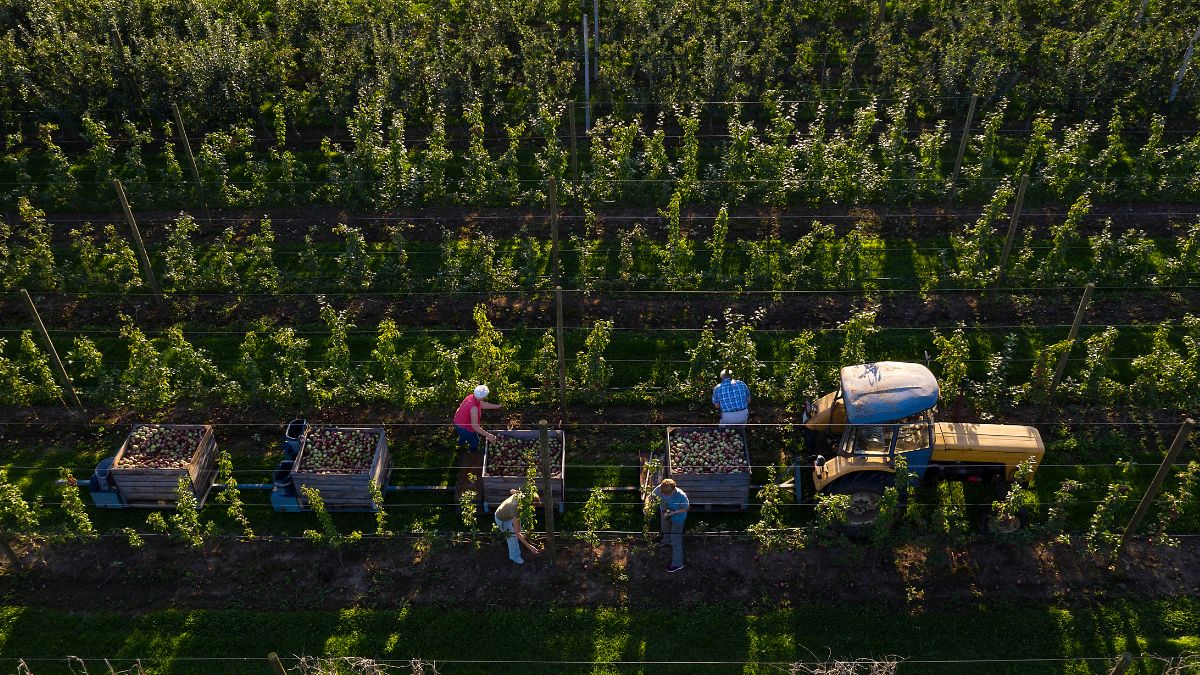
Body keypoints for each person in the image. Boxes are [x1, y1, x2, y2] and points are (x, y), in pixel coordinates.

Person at [645, 479, 689, 572]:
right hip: (665, 512)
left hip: (678, 517)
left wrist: (674, 512)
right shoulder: (660, 488)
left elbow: (686, 508)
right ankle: (666, 541)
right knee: (665, 528)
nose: (665, 495)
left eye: (668, 494)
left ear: (674, 489)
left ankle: (678, 564)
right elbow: (649, 497)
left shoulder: (681, 496)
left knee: (676, 539)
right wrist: (647, 506)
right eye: (663, 493)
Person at [494, 489, 540, 565]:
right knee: (513, 536)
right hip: (501, 519)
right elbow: (517, 532)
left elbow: (511, 491)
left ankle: (523, 538)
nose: (533, 509)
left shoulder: (523, 496)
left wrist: (515, 492)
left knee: (518, 528)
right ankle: (514, 557)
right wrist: (530, 547)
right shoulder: (516, 508)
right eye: (532, 506)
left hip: (508, 514)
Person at [453, 384, 502, 452]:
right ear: (482, 397)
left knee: (463, 435)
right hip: (464, 426)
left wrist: (497, 406)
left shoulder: (471, 397)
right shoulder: (474, 408)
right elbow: (475, 427)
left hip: (458, 420)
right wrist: (489, 435)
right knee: (475, 441)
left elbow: (482, 404)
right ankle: (472, 452)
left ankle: (460, 443)